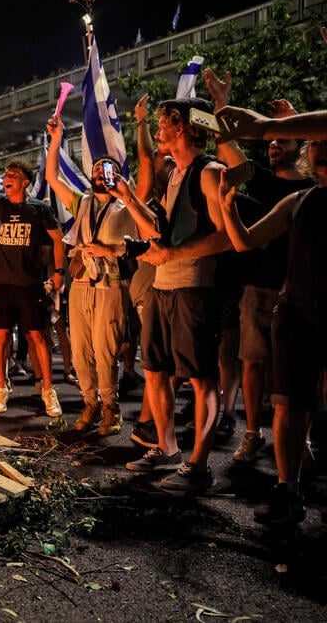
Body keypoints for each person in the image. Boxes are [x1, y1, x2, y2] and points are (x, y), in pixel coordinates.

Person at [114, 97, 230, 493]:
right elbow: (156, 233)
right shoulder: (176, 174)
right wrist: (129, 199)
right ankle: (167, 449)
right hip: (163, 287)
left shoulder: (210, 172)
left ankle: (200, 465)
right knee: (156, 371)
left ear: (181, 126)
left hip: (194, 288)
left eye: (163, 124)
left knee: (201, 379)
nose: (158, 131)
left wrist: (173, 254)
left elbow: (226, 237)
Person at [203, 74, 315, 462]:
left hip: (306, 292)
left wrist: (293, 119)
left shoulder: (313, 191)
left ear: (302, 145)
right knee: (252, 364)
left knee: (304, 374)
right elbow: (229, 149)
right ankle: (252, 434)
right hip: (261, 288)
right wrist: (221, 103)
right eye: (270, 144)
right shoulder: (266, 184)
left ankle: (305, 439)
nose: (272, 148)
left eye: (281, 141)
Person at [218, 137, 327, 524]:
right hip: (296, 312)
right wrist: (228, 208)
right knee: (287, 403)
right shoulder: (299, 201)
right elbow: (245, 240)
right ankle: (288, 489)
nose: (320, 149)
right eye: (317, 142)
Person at [43, 114, 146, 435]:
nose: (100, 173)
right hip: (82, 286)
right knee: (80, 350)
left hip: (110, 287)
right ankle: (89, 404)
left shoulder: (127, 206)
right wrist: (57, 140)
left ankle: (111, 410)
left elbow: (144, 241)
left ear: (118, 175)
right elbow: (52, 176)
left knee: (105, 351)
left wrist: (111, 251)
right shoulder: (82, 202)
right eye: (96, 169)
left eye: (107, 169)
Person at [0, 132, 65, 417]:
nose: (6, 177)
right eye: (6, 174)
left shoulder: (39, 209)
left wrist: (58, 273)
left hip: (30, 285)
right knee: (1, 335)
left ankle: (47, 390)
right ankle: (2, 388)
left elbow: (58, 240)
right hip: (3, 284)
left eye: (13, 175)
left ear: (25, 182)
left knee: (37, 338)